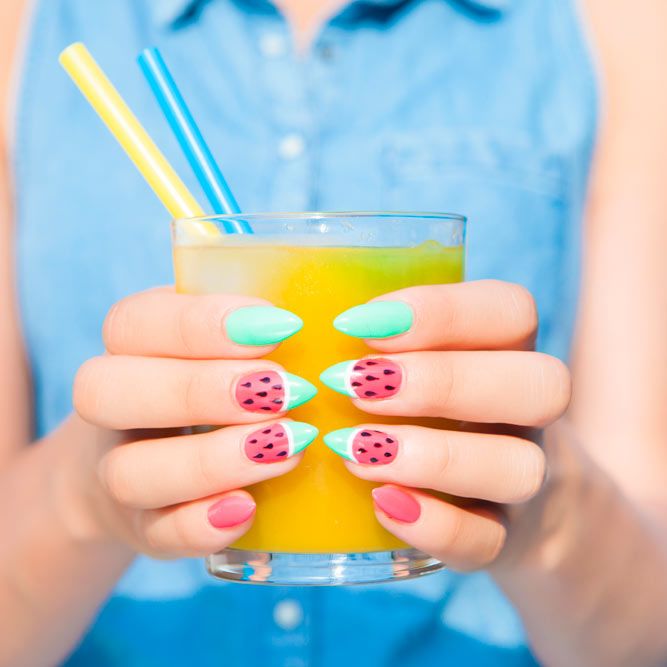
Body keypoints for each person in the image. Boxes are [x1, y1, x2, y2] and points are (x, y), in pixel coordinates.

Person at [1, 0, 667, 665]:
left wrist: (546, 513)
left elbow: (648, 632)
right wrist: (86, 496)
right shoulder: (26, 23)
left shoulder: (610, 25)